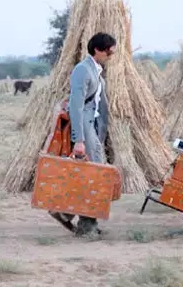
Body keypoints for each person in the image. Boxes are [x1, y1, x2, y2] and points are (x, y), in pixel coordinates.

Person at [51, 32, 116, 236]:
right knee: (93, 174)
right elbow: (76, 106)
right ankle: (84, 223)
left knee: (92, 174)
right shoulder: (82, 70)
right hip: (84, 127)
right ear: (97, 49)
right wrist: (79, 140)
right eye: (109, 50)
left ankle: (69, 214)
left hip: (92, 126)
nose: (111, 54)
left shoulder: (96, 70)